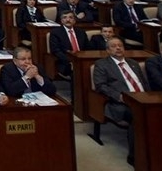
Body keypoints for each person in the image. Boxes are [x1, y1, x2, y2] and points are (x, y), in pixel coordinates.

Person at [93, 37, 149, 166]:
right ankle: (134, 155)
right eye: (113, 46)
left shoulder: (133, 63)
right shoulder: (101, 64)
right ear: (107, 50)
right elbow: (101, 86)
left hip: (144, 99)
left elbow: (144, 83)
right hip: (121, 102)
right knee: (138, 118)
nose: (118, 48)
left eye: (120, 45)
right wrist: (119, 96)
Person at [50, 10, 89, 79]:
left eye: (71, 17)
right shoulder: (55, 33)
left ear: (74, 20)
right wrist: (71, 60)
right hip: (66, 62)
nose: (68, 20)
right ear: (61, 21)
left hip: (82, 60)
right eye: (65, 18)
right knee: (77, 73)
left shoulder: (81, 32)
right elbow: (55, 50)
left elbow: (87, 48)